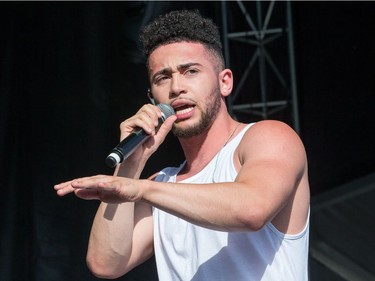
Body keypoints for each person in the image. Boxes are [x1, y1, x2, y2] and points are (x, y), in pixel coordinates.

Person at [54, 10, 310, 281]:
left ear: (225, 82)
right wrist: (130, 166)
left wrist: (140, 188)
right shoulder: (162, 185)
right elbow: (105, 262)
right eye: (162, 77)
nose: (176, 87)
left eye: (190, 71)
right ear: (153, 98)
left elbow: (251, 210)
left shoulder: (268, 137)